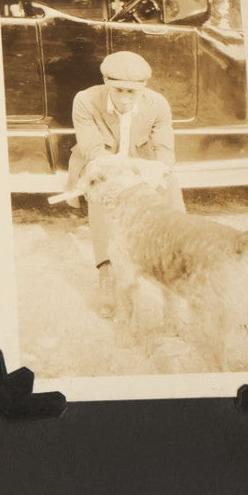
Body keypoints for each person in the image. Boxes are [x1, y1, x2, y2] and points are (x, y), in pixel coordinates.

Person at [66, 50, 182, 316]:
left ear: (144, 87)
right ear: (106, 82)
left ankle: (176, 260)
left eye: (133, 92)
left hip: (141, 162)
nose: (126, 99)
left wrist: (156, 170)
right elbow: (93, 150)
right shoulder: (84, 100)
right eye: (119, 90)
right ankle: (106, 271)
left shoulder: (158, 103)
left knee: (170, 185)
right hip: (101, 161)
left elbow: (165, 150)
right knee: (103, 195)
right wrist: (120, 175)